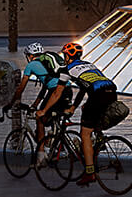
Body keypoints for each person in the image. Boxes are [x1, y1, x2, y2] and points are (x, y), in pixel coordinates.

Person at [39, 42, 121, 187]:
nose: (64, 57)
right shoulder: (89, 65)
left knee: (84, 133)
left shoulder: (66, 69)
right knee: (87, 111)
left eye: (64, 55)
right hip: (111, 92)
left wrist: (44, 110)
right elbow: (83, 89)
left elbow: (57, 93)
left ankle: (90, 173)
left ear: (68, 56)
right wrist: (74, 107)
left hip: (97, 96)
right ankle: (98, 139)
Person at [1, 43, 68, 165]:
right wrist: (35, 105)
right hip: (66, 91)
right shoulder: (48, 65)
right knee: (51, 117)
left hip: (55, 92)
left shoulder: (31, 65)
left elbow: (21, 89)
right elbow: (45, 88)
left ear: (30, 56)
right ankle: (55, 144)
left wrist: (11, 103)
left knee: (40, 118)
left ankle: (41, 156)